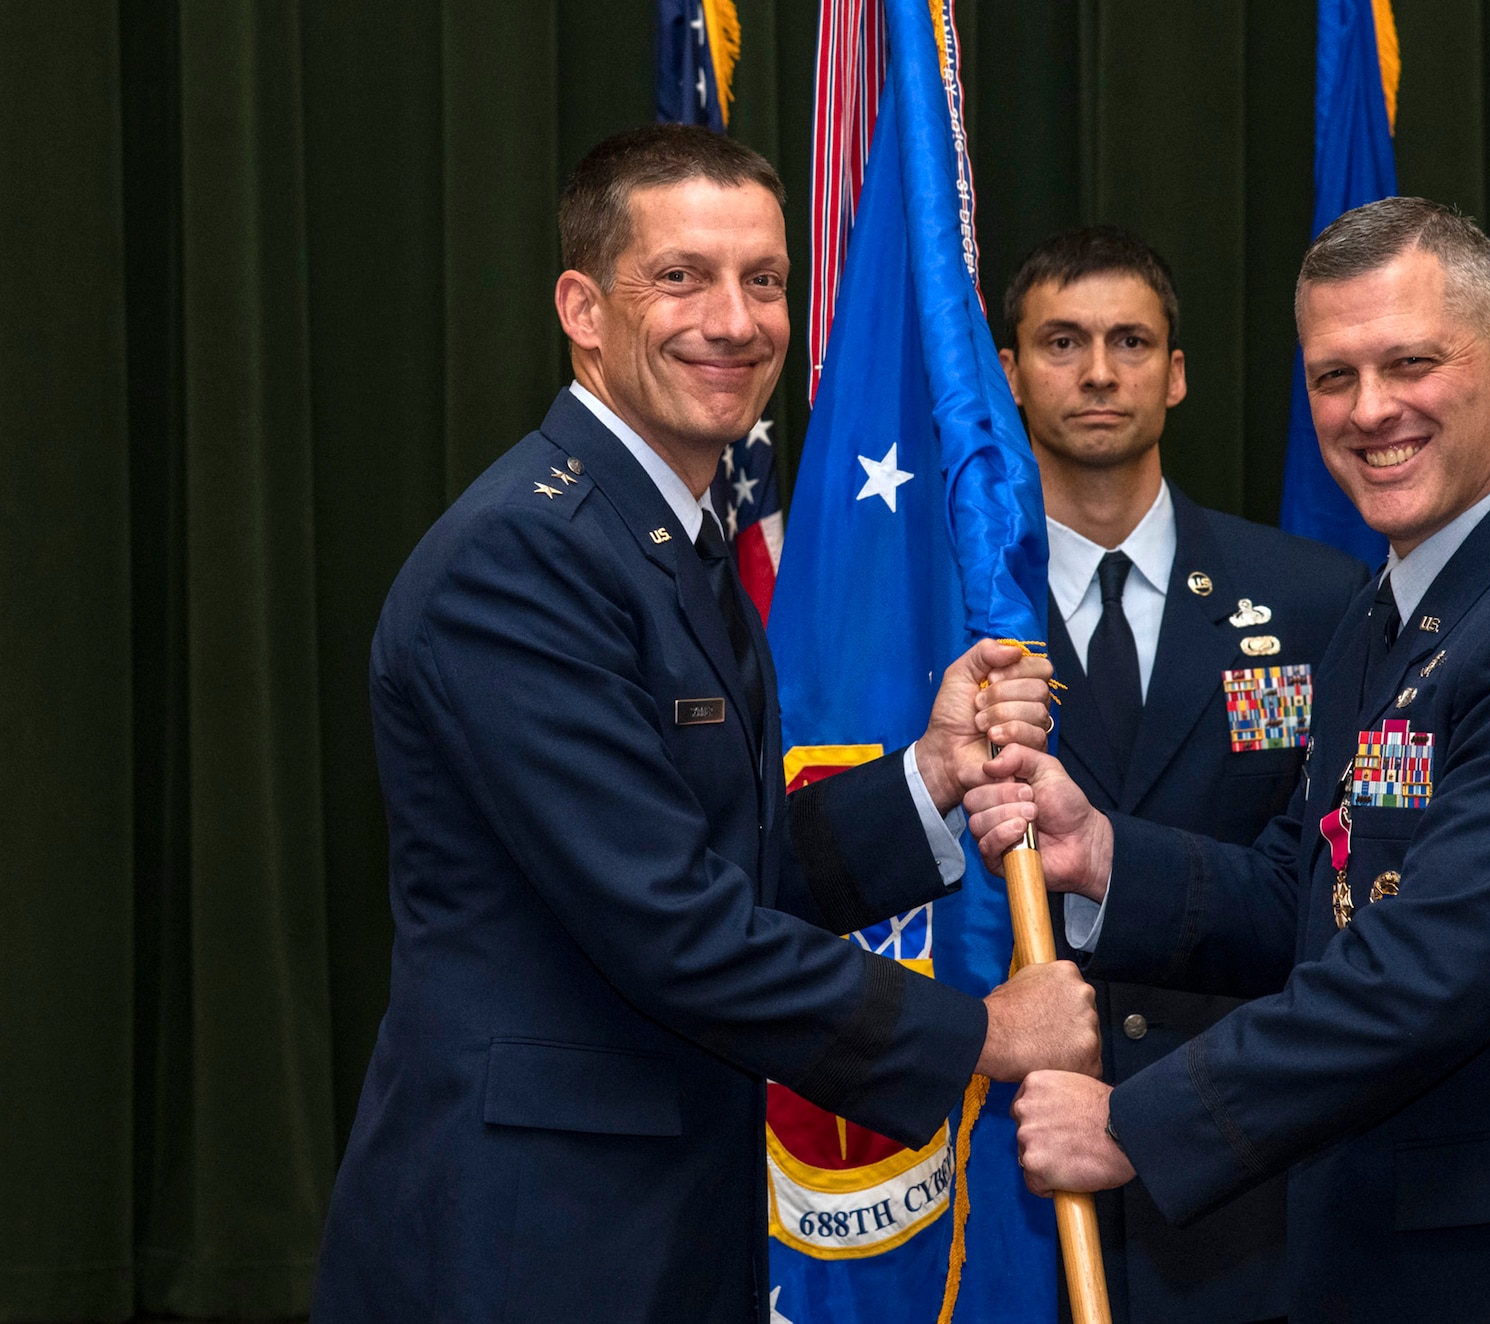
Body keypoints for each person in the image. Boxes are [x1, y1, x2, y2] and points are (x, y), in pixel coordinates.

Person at [969, 198, 1490, 1323]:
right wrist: (1101, 855)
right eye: (1332, 377)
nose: (1371, 411)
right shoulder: (1391, 613)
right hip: (1426, 1255)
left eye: (1410, 363)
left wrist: (1136, 1121)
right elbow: (1312, 891)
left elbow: (1429, 967)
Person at [311, 124, 1097, 1323]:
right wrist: (978, 1031)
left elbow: (737, 862)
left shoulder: (665, 537)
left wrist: (926, 780)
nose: (734, 322)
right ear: (581, 306)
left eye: (765, 281)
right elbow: (669, 924)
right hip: (533, 1235)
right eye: (679, 276)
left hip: (652, 1211)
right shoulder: (524, 558)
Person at [996, 226, 1365, 1324]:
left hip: (1239, 1192)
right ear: (1007, 373)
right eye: (1061, 341)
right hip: (1008, 1181)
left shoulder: (1313, 596)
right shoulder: (956, 612)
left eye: (1129, 341)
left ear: (1177, 373)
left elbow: (1328, 892)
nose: (1099, 372)